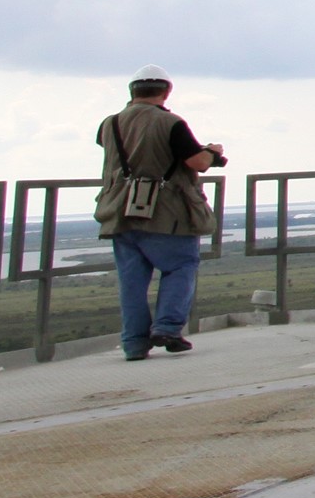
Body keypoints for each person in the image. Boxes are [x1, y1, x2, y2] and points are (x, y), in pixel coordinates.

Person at [91, 66, 222, 361]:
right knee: (180, 266)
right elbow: (198, 162)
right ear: (166, 92)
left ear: (131, 92)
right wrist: (213, 152)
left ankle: (134, 344)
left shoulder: (108, 124)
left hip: (120, 212)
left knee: (132, 281)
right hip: (166, 213)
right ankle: (168, 328)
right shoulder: (171, 122)